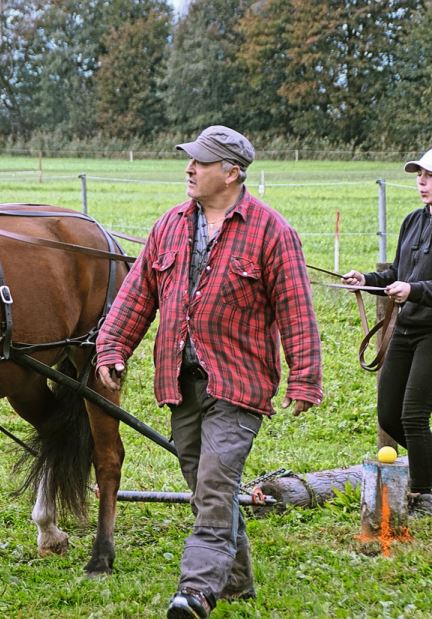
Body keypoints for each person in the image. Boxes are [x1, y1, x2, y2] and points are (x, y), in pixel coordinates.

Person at [95, 125, 323, 618]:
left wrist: (305, 378)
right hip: (180, 383)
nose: (190, 168)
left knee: (216, 485)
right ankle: (237, 582)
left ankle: (196, 591)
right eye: (190, 160)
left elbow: (297, 311)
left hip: (238, 383)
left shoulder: (272, 231)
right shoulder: (170, 225)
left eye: (200, 161)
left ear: (231, 172)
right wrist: (112, 346)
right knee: (204, 487)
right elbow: (138, 295)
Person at [342, 146, 432, 516]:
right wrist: (367, 280)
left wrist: (414, 290)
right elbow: (399, 272)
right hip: (407, 329)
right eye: (418, 175)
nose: (422, 181)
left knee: (413, 415)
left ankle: (422, 494)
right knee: (389, 416)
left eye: (430, 175)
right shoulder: (413, 220)